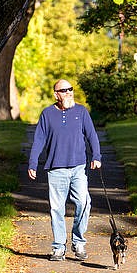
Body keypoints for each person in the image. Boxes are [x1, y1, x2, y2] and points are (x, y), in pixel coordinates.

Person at [28, 79, 102, 262]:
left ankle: (78, 242)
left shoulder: (81, 111)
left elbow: (91, 135)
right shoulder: (47, 114)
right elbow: (39, 140)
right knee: (57, 209)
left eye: (70, 89)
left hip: (78, 167)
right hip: (55, 169)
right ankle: (59, 247)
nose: (69, 92)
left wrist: (97, 156)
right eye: (64, 90)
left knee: (84, 203)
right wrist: (32, 162)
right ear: (56, 94)